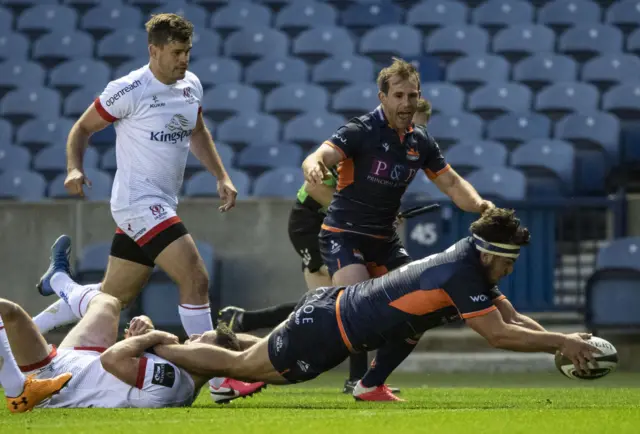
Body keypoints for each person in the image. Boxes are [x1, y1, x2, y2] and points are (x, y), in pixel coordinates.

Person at [34, 13, 261, 402]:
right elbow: (83, 128)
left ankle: (45, 301)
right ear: (153, 50)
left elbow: (197, 131)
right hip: (138, 203)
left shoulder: (191, 86)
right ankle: (220, 377)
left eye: (188, 51)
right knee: (195, 277)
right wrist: (74, 167)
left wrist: (221, 176)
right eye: (176, 52)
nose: (184, 60)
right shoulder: (129, 89)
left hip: (159, 203)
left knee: (109, 300)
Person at [150, 208, 602, 402]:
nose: (509, 270)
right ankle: (156, 348)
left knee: (252, 356)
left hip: (331, 317)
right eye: (507, 262)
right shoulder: (463, 272)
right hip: (328, 328)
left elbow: (511, 317)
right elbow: (498, 335)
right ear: (488, 254)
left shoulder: (470, 265)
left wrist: (563, 342)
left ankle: (211, 343)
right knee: (246, 366)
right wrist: (560, 342)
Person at [301, 58, 495, 397]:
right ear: (383, 97)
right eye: (400, 95)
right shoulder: (359, 131)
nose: (407, 103)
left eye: (413, 96)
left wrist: (481, 206)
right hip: (344, 235)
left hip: (385, 242)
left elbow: (451, 184)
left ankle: (369, 384)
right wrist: (314, 165)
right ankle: (266, 362)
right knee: (357, 314)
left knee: (422, 309)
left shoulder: (420, 142)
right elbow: (319, 155)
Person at [216, 99, 434, 334]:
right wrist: (368, 215)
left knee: (332, 309)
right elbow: (315, 189)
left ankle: (244, 321)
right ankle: (247, 329)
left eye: (418, 129)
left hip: (347, 228)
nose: (410, 132)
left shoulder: (402, 156)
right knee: (343, 306)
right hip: (311, 223)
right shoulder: (363, 144)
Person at [0, 236, 264, 411]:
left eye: (200, 341)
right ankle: (57, 280)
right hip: (82, 360)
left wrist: (152, 336)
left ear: (209, 360)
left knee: (10, 313)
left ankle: (15, 376)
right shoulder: (180, 371)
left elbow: (112, 360)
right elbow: (123, 357)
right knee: (108, 303)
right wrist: (143, 331)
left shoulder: (171, 380)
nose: (191, 338)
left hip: (53, 379)